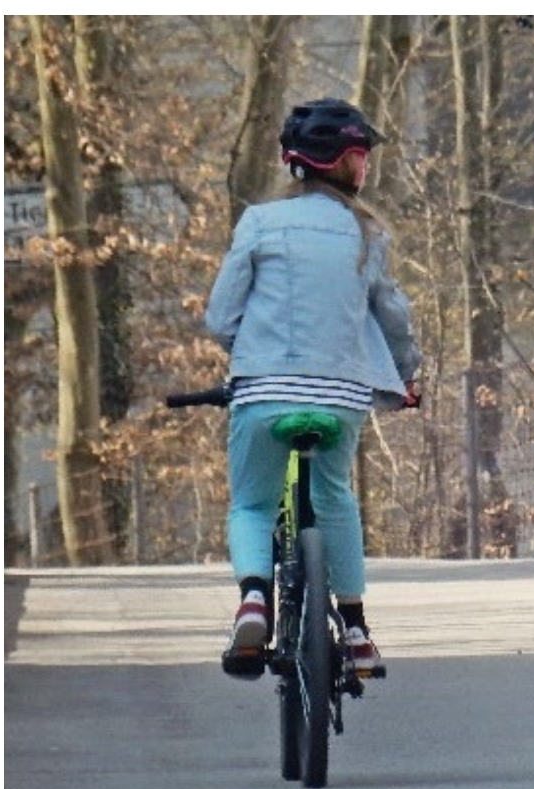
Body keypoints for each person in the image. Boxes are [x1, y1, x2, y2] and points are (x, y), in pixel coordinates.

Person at [205, 99, 419, 679]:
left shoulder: (258, 222)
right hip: (340, 397)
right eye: (360, 156)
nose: (365, 167)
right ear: (343, 163)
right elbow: (393, 318)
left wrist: (252, 358)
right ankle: (355, 630)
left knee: (252, 503)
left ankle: (254, 598)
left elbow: (221, 316)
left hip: (262, 392)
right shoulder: (366, 232)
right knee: (334, 498)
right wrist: (409, 376)